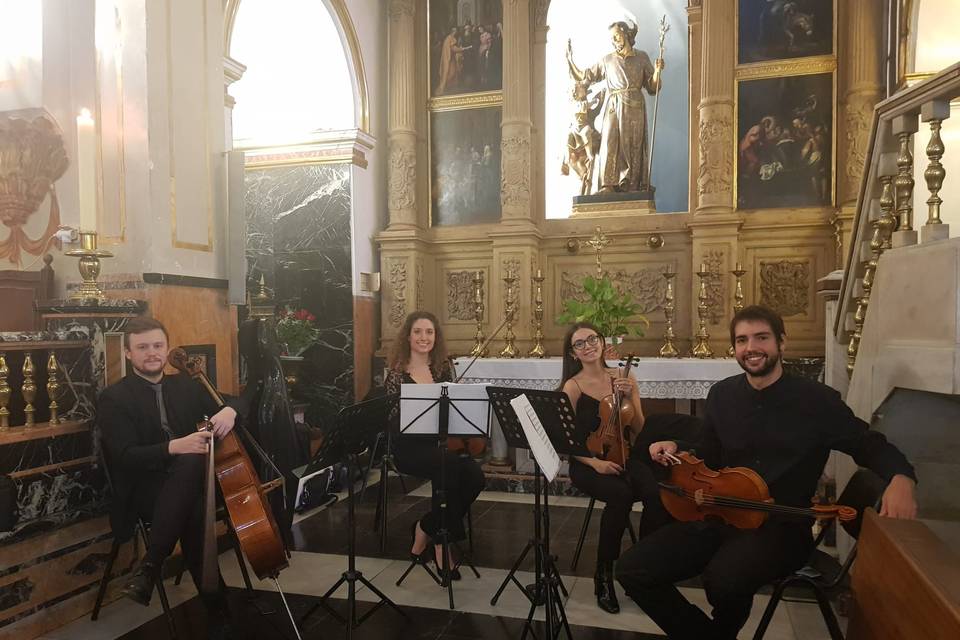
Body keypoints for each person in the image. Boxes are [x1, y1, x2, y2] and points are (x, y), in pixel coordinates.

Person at [616, 305, 918, 639]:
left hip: (782, 525)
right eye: (742, 340)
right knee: (632, 569)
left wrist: (901, 476)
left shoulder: (816, 401)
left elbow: (867, 444)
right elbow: (707, 450)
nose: (751, 347)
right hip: (720, 514)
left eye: (761, 337)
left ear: (781, 343)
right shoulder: (723, 395)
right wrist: (676, 446)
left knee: (724, 581)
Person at [98, 317, 249, 636]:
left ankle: (150, 567)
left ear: (166, 349)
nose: (151, 353)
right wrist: (174, 446)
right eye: (142, 347)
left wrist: (229, 411)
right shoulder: (114, 398)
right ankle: (217, 609)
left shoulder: (184, 385)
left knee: (192, 472)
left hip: (188, 482)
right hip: (145, 486)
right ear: (128, 353)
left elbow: (239, 400)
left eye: (157, 346)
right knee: (194, 504)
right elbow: (125, 457)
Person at [559, 322, 672, 614]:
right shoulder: (572, 386)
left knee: (655, 492)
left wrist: (631, 395)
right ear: (572, 353)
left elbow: (640, 429)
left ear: (601, 341)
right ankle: (603, 575)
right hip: (587, 462)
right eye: (579, 343)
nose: (588, 346)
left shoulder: (624, 376)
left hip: (625, 454)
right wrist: (594, 462)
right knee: (621, 496)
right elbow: (566, 439)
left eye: (592, 339)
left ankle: (643, 568)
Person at [385, 311, 485, 579]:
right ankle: (442, 545)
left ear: (435, 337)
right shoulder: (397, 374)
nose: (423, 337)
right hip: (409, 448)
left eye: (429, 332)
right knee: (449, 468)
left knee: (475, 476)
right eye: (418, 331)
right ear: (408, 336)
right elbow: (392, 422)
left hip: (443, 444)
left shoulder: (442, 369)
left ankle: (425, 527)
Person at [566, 21, 664, 193]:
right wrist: (570, 61)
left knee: (633, 145)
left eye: (617, 36)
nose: (614, 40)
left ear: (626, 34)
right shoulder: (607, 60)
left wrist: (656, 71)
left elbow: (652, 88)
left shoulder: (641, 57)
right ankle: (608, 185)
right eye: (612, 38)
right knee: (609, 142)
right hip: (613, 105)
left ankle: (632, 186)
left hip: (635, 106)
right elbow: (586, 76)